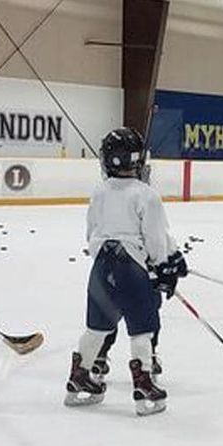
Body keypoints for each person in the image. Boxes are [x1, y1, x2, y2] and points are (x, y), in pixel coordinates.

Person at [66, 127, 185, 415]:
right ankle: (143, 382)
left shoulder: (99, 192)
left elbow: (92, 233)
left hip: (101, 266)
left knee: (97, 326)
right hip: (131, 268)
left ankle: (79, 377)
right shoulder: (146, 195)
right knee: (142, 327)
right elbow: (156, 239)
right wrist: (165, 264)